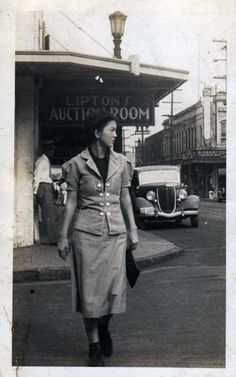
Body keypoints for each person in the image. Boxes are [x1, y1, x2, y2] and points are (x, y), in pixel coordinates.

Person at [57, 112, 139, 367]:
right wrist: (63, 236)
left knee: (115, 292)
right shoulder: (76, 164)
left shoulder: (122, 163)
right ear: (97, 133)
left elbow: (125, 198)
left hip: (116, 233)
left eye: (116, 130)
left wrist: (133, 229)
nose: (116, 134)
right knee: (91, 294)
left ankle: (104, 326)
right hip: (86, 234)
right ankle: (93, 344)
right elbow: (71, 202)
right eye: (111, 130)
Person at [33, 140, 58, 244]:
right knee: (50, 214)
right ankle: (52, 239)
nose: (53, 151)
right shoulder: (42, 160)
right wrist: (35, 192)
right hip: (43, 186)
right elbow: (37, 176)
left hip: (46, 186)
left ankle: (52, 237)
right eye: (51, 149)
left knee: (51, 213)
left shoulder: (45, 160)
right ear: (46, 150)